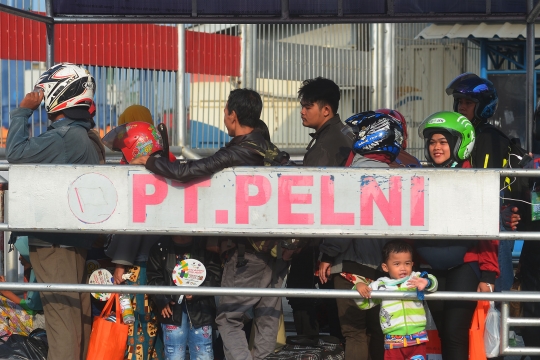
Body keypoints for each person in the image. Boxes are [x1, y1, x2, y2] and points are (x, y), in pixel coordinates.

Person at [130, 89, 285, 360]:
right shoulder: (268, 147)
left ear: (232, 115)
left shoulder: (238, 151)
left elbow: (187, 172)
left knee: (228, 319)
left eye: (226, 111)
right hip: (277, 247)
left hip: (246, 251)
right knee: (267, 314)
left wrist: (152, 162)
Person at [6, 62, 100, 360]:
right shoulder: (85, 137)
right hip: (73, 239)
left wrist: (23, 110)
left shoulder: (64, 137)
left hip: (54, 242)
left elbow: (16, 153)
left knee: (61, 321)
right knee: (75, 319)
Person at [319, 110, 405, 360]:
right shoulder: (399, 175)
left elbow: (344, 224)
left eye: (357, 133)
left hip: (350, 267)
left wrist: (326, 255)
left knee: (354, 333)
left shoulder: (353, 174)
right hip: (383, 269)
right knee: (378, 332)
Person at [415, 111, 499, 360]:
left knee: (455, 332)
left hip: (465, 265)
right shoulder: (421, 178)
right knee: (443, 333)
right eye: (432, 142)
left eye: (442, 142)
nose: (436, 148)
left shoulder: (475, 179)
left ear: (458, 144)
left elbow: (488, 233)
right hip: (430, 267)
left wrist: (488, 275)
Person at [102, 121, 173, 360]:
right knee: (154, 323)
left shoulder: (141, 177)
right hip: (159, 259)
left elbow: (132, 226)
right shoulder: (163, 169)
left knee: (137, 323)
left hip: (137, 264)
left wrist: (120, 265)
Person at [355, 240, 438, 360]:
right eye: (397, 264)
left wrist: (427, 282)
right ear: (385, 267)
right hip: (393, 340)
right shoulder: (381, 285)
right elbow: (364, 304)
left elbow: (434, 284)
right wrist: (359, 287)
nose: (403, 268)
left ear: (412, 264)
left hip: (417, 338)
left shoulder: (416, 279)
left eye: (407, 263)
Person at [146, 235, 221, 360]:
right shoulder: (160, 247)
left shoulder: (205, 246)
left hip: (201, 309)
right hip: (171, 310)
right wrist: (162, 299)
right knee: (174, 354)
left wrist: (196, 292)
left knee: (203, 353)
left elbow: (215, 275)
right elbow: (153, 276)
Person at [298, 76, 355, 167]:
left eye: (308, 107)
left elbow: (314, 180)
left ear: (326, 110)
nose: (302, 112)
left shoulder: (322, 150)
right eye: (302, 107)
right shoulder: (345, 132)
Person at [0, 237, 44, 340]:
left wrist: (6, 292)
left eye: (22, 254)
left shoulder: (39, 276)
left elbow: (31, 309)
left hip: (38, 323)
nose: (19, 258)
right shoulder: (36, 272)